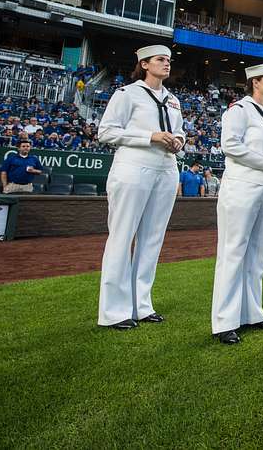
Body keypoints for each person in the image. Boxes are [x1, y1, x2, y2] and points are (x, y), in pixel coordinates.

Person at [96, 44, 184, 330]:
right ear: (144, 64)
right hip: (133, 167)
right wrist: (151, 136)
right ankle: (113, 312)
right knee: (122, 237)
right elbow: (106, 132)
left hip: (166, 168)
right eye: (161, 60)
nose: (167, 64)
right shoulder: (127, 93)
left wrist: (178, 140)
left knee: (152, 239)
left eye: (169, 60)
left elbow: (179, 130)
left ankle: (140, 305)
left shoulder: (173, 100)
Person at [211, 64, 263, 345]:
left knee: (258, 254)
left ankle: (252, 313)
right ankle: (224, 321)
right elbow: (231, 145)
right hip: (242, 186)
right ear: (254, 82)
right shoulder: (240, 110)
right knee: (233, 251)